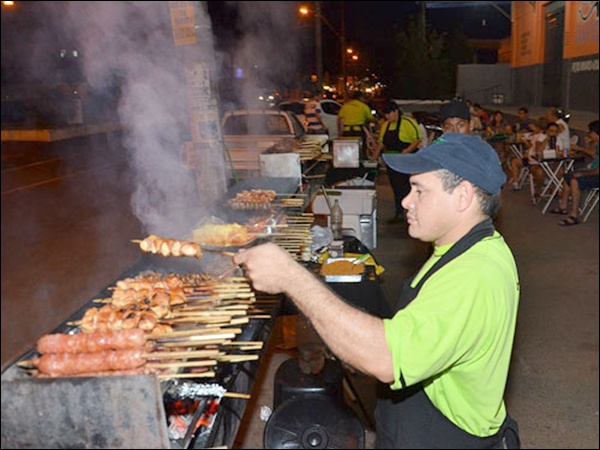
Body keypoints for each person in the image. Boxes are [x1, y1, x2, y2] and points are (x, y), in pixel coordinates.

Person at [234, 133, 521, 448]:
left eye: (419, 191)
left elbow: (387, 358)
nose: (405, 201)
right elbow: (417, 333)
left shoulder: (474, 274)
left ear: (463, 196)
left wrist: (292, 277)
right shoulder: (461, 248)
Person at [371, 101, 423, 222]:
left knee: (407, 187)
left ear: (396, 111)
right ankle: (399, 213)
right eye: (386, 115)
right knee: (396, 187)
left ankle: (413, 212)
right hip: (392, 161)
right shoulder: (386, 125)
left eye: (389, 114)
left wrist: (405, 152)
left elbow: (417, 140)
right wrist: (373, 157)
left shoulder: (408, 122)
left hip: (406, 160)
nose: (387, 117)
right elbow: (381, 143)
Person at [550, 120, 599, 226]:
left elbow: (597, 171)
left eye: (590, 132)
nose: (589, 134)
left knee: (574, 180)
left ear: (595, 133)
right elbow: (594, 155)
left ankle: (574, 215)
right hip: (595, 171)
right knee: (568, 175)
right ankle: (563, 207)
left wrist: (582, 174)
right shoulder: (597, 144)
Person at [337, 90, 376, 159]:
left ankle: (348, 164)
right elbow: (371, 119)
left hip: (347, 131)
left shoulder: (345, 106)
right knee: (361, 150)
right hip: (359, 131)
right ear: (360, 97)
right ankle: (360, 164)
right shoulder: (364, 106)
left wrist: (340, 132)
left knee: (347, 150)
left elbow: (340, 120)